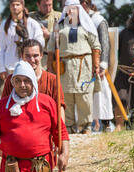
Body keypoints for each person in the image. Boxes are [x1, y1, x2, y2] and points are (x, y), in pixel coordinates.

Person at [1, 39, 66, 172]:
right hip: (17, 148)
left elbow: (59, 108)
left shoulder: (51, 79)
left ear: (42, 56)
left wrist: (60, 139)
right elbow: (4, 108)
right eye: (28, 56)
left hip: (43, 143)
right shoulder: (12, 79)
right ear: (22, 57)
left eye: (36, 55)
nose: (33, 59)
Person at [46, 0, 101, 134]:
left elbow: (96, 47)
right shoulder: (59, 27)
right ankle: (69, 126)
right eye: (68, 9)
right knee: (66, 96)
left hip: (84, 66)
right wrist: (50, 69)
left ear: (78, 10)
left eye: (73, 9)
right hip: (64, 66)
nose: (70, 11)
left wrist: (96, 65)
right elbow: (51, 50)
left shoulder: (86, 26)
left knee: (84, 97)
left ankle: (85, 126)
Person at [80, 0, 113, 133]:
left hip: (97, 63)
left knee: (101, 93)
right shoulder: (75, 20)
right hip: (82, 63)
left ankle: (106, 123)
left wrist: (102, 65)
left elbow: (105, 44)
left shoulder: (98, 20)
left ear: (86, 4)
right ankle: (85, 124)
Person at [113, 6, 134, 130]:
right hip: (124, 72)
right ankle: (119, 126)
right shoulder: (125, 33)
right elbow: (114, 50)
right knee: (120, 98)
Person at [0, 0, 44, 81]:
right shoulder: (5, 25)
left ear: (22, 6)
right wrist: (1, 68)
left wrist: (28, 45)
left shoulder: (32, 24)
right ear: (10, 6)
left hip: (30, 66)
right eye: (13, 5)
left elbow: (40, 43)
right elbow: (0, 48)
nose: (15, 7)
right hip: (11, 67)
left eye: (17, 5)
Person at [29, 0, 62, 69]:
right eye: (44, 5)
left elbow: (64, 38)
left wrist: (50, 35)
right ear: (38, 4)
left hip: (53, 57)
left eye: (50, 5)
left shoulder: (59, 17)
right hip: (34, 58)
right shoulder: (30, 17)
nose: (48, 8)